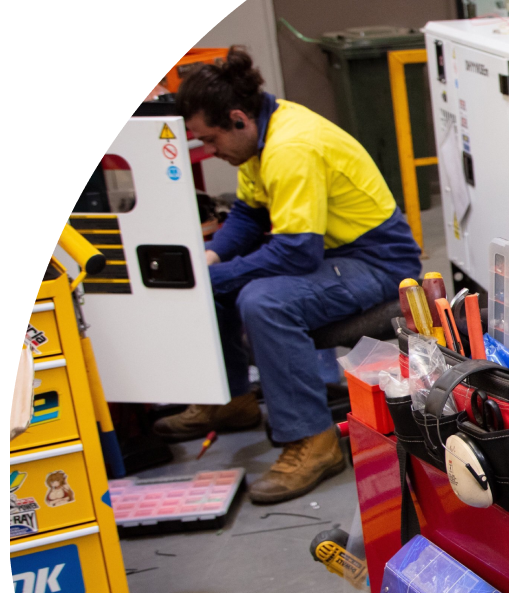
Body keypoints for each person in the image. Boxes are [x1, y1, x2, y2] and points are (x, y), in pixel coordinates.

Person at [153, 46, 423, 504]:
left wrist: (218, 276)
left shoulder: (290, 147)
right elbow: (246, 214)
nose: (211, 152)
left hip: (378, 260)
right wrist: (210, 261)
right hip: (330, 250)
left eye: (212, 140)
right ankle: (232, 400)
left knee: (264, 301)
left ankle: (313, 441)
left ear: (237, 118)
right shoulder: (258, 136)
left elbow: (296, 254)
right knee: (217, 285)